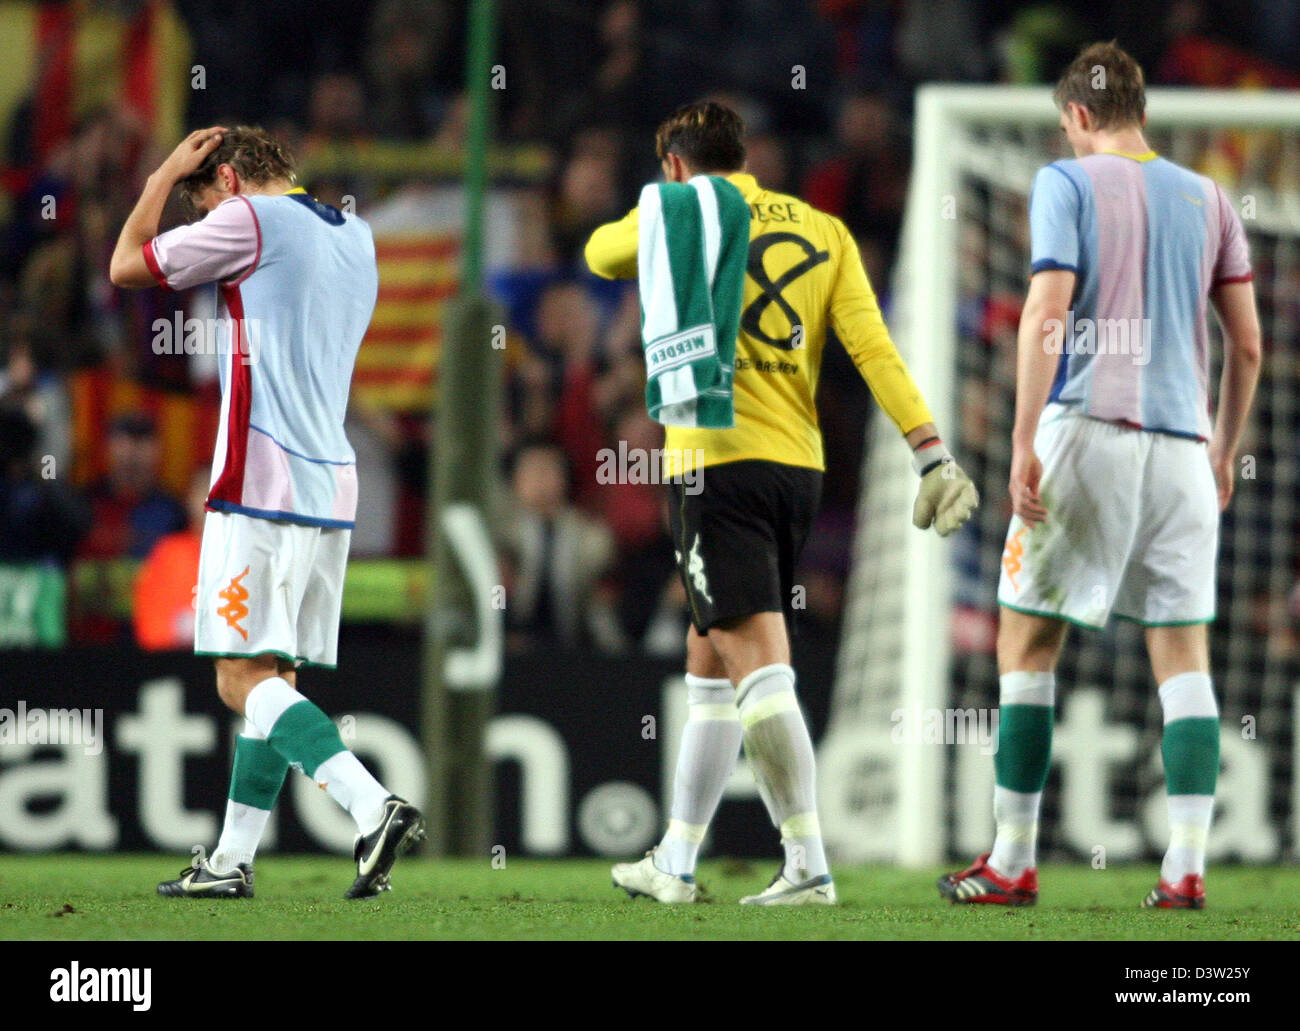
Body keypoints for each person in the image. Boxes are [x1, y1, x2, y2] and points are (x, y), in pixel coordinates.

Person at [586, 101, 978, 905]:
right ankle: (678, 858)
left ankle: (808, 863)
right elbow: (874, 348)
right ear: (747, 159)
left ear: (674, 167)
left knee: (760, 669)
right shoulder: (824, 230)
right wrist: (930, 451)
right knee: (710, 670)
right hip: (798, 470)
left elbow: (599, 254)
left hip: (713, 461)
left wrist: (663, 209)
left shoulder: (673, 209)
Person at [939, 42, 1261, 910]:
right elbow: (1251, 344)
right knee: (1183, 657)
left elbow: (1046, 309)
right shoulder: (1211, 196)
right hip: (1187, 455)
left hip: (1090, 432)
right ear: (1141, 109)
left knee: (1027, 642)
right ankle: (1185, 866)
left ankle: (1012, 858)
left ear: (1076, 116)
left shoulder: (1066, 182)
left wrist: (1019, 440)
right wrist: (1226, 446)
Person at [110, 125, 424, 899]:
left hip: (259, 479)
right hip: (331, 487)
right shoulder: (358, 234)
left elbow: (126, 265)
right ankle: (228, 861)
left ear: (227, 178)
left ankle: (368, 803)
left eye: (202, 194)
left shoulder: (248, 217)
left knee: (235, 678)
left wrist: (160, 175)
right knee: (273, 675)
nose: (204, 211)